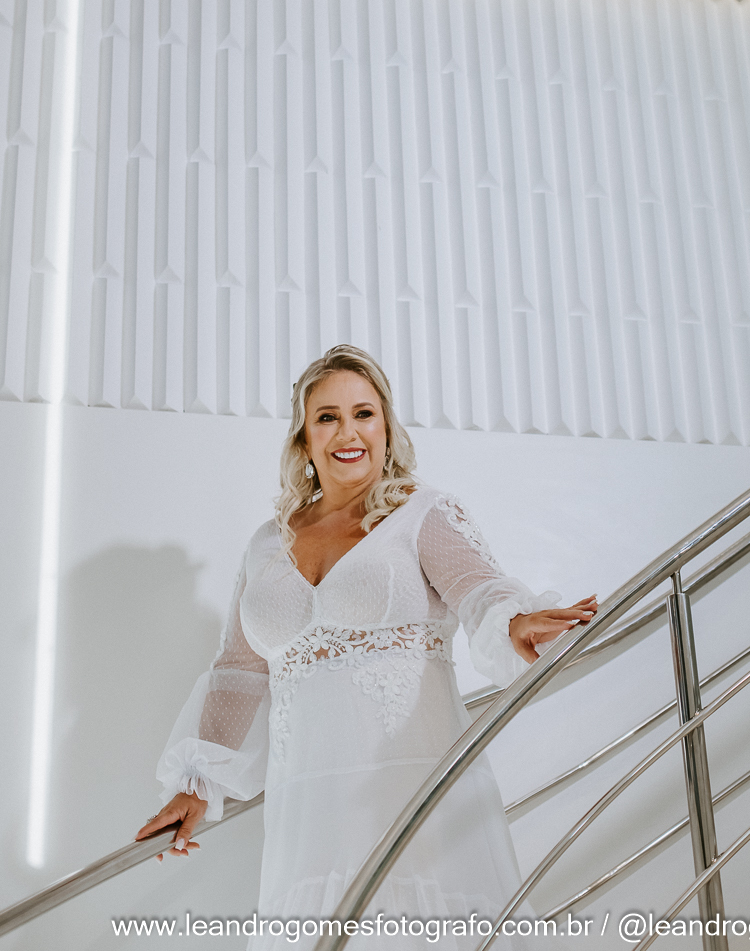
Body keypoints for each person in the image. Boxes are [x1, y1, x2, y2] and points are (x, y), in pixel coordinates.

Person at [136, 346, 596, 947]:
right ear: (304, 437)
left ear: (386, 427)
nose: (347, 433)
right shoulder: (265, 545)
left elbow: (479, 589)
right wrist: (196, 784)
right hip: (309, 809)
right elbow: (239, 671)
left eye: (364, 414)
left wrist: (515, 622)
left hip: (412, 790)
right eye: (327, 417)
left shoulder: (422, 514)